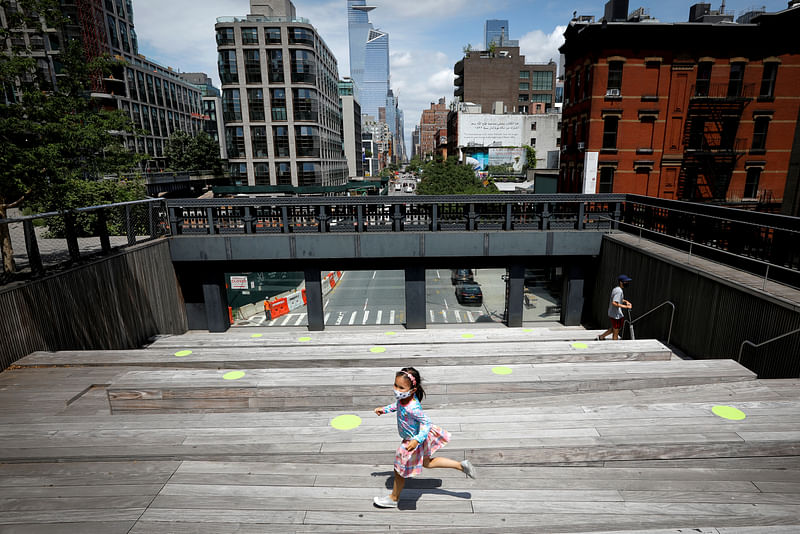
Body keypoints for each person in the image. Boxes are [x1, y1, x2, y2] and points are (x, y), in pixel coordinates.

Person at [372, 367, 477, 508]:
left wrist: (417, 440)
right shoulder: (404, 399)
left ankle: (394, 498)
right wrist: (384, 410)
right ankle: (460, 466)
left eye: (401, 387)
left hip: (412, 441)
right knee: (427, 462)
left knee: (398, 469)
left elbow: (427, 423)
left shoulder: (413, 407)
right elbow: (397, 405)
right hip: (415, 439)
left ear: (412, 390)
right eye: (396, 385)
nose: (397, 389)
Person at [598, 274, 633, 341]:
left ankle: (602, 337)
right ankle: (615, 345)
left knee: (616, 328)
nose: (627, 283)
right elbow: (614, 302)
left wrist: (625, 301)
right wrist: (626, 306)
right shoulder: (619, 291)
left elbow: (618, 299)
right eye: (626, 282)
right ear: (621, 282)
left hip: (617, 313)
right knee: (616, 332)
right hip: (615, 314)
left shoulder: (616, 289)